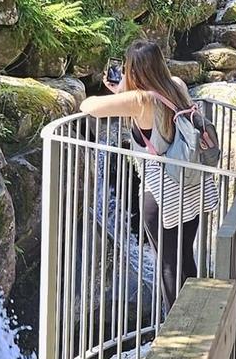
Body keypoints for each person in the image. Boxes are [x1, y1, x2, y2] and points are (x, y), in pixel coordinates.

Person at [80, 38, 210, 313]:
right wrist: (124, 87)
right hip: (190, 184)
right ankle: (195, 314)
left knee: (166, 263)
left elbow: (88, 106)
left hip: (161, 192)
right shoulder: (177, 86)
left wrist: (123, 89)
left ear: (134, 71)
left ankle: (177, 328)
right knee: (185, 255)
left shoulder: (140, 101)